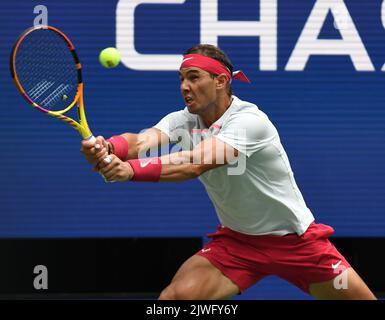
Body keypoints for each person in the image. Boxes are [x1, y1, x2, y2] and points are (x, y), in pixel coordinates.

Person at [81, 44, 376, 300]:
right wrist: (109, 147)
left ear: (221, 80)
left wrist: (129, 171)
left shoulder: (250, 121)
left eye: (194, 78)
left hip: (297, 243)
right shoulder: (183, 120)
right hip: (238, 245)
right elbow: (143, 141)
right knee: (176, 298)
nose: (184, 86)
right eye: (182, 79)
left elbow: (196, 162)